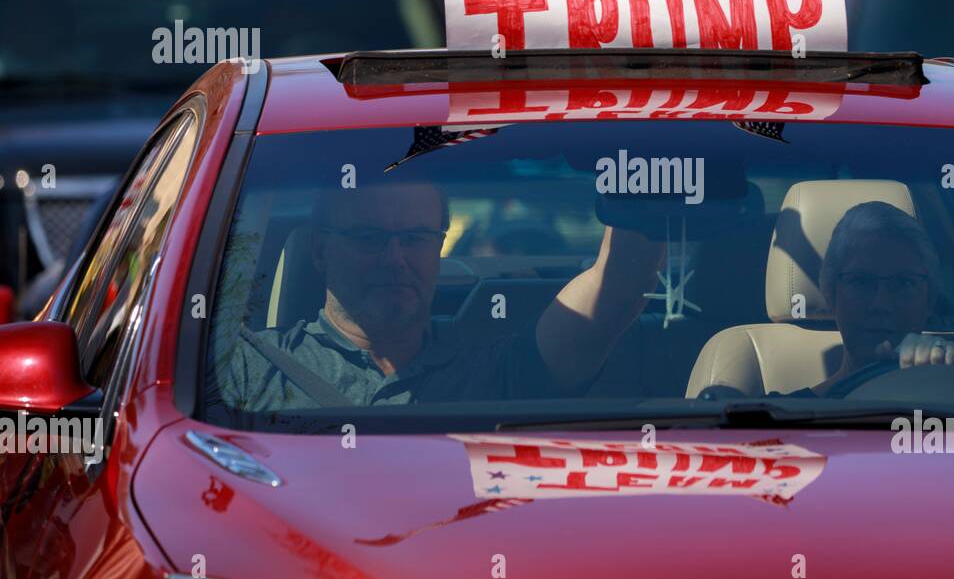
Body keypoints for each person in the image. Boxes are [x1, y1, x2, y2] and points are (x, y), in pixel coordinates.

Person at [210, 177, 664, 415]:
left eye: (416, 238)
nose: (395, 258)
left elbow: (619, 286)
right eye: (369, 238)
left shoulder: (497, 374)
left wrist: (640, 164)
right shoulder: (250, 370)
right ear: (320, 251)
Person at [796, 201, 954, 398]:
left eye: (904, 283)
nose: (881, 304)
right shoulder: (781, 416)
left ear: (929, 301)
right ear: (830, 295)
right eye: (861, 281)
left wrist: (949, 381)